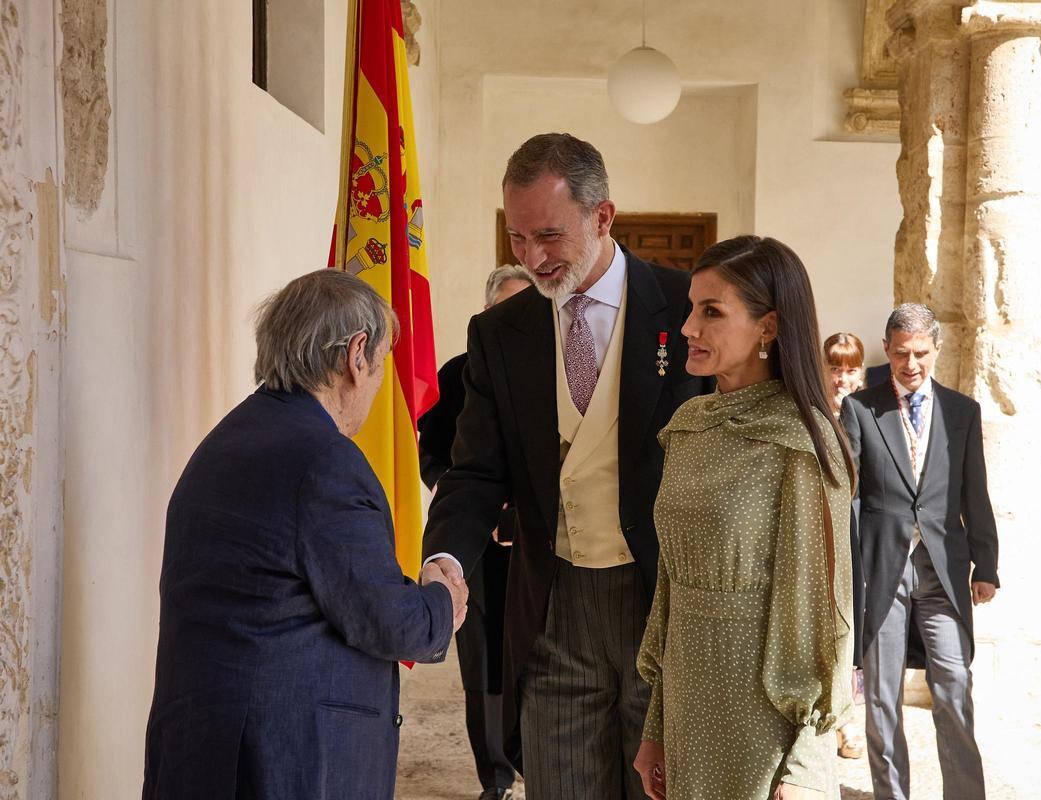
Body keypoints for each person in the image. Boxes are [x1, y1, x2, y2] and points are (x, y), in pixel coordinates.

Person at [421, 132, 709, 799]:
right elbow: (473, 473)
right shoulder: (499, 333)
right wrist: (447, 559)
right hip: (552, 609)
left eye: (549, 235)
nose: (533, 257)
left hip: (664, 606)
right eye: (518, 240)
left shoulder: (688, 306)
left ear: (602, 217)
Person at [142, 269, 467, 800]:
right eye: (382, 362)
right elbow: (384, 620)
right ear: (356, 355)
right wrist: (440, 599)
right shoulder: (324, 462)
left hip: (202, 749)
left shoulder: (225, 440)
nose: (381, 381)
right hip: (282, 761)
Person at [634, 235, 856, 800]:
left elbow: (823, 610)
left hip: (762, 724)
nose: (688, 327)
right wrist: (656, 727)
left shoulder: (801, 443)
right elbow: (672, 589)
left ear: (769, 327)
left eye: (712, 311)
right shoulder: (689, 427)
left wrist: (805, 766)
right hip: (687, 712)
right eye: (691, 308)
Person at [839, 303, 999, 800]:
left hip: (944, 570)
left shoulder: (962, 411)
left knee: (954, 685)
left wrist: (987, 564)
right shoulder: (861, 409)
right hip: (881, 570)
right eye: (902, 353)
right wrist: (849, 570)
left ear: (936, 349)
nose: (911, 364)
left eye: (921, 354)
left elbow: (976, 492)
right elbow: (850, 496)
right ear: (886, 349)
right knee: (882, 698)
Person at [418, 264, 531, 800]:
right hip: (478, 553)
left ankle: (539, 761)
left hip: (536, 550)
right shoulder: (455, 376)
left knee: (537, 664)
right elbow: (435, 459)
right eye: (506, 311)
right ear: (487, 314)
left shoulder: (556, 375)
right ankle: (496, 777)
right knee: (482, 667)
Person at [822, 331, 868, 761]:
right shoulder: (812, 412)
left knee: (850, 620)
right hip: (818, 528)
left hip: (855, 530)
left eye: (850, 369)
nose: (842, 378)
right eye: (835, 368)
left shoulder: (871, 414)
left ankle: (848, 721)